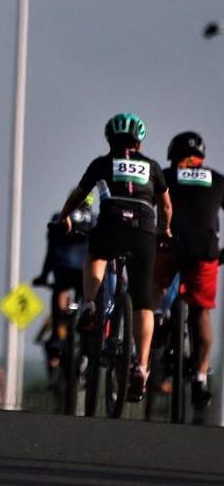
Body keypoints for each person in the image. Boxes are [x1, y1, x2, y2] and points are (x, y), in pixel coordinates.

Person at [57, 112, 172, 403]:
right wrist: (164, 230)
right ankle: (142, 368)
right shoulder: (153, 167)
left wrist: (65, 217)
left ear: (110, 139)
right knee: (143, 304)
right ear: (140, 142)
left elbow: (80, 196)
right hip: (143, 231)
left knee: (96, 255)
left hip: (111, 225)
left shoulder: (102, 163)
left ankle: (89, 304)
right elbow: (166, 207)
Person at [153, 131, 224, 408]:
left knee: (154, 288)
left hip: (170, 247)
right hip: (205, 252)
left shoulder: (167, 176)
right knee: (201, 311)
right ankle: (201, 376)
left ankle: (156, 324)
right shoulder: (218, 180)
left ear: (174, 157)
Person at [33, 194, 94, 369]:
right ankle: (90, 336)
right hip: (86, 271)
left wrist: (44, 276)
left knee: (59, 292)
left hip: (63, 268)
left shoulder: (59, 217)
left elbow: (51, 251)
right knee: (89, 300)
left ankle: (56, 339)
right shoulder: (96, 219)